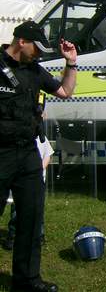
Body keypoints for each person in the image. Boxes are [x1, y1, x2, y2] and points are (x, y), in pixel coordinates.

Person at [0, 20, 77, 292]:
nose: (40, 53)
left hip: (28, 153)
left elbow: (65, 91)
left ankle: (28, 280)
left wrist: (71, 63)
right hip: (1, 153)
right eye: (36, 47)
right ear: (21, 41)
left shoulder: (34, 71)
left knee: (31, 219)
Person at [4, 130, 54, 251]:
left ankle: (39, 235)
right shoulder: (17, 138)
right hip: (21, 182)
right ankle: (13, 236)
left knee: (38, 209)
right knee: (17, 209)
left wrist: (39, 168)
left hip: (37, 180)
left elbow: (48, 154)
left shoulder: (41, 138)